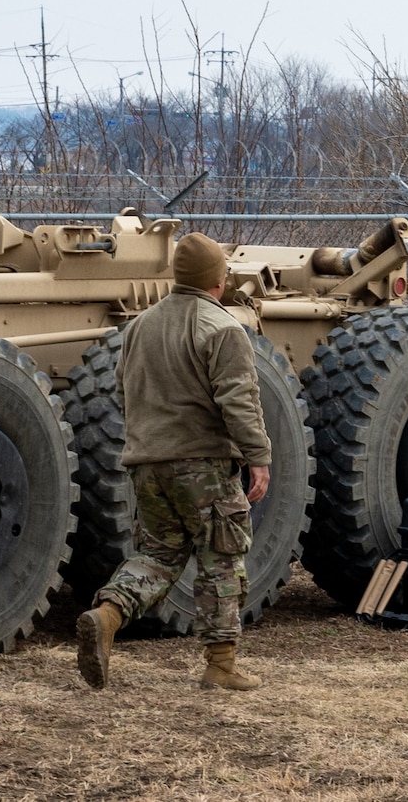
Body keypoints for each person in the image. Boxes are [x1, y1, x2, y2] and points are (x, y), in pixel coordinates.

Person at [76, 232, 273, 691]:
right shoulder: (222, 327)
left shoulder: (140, 326)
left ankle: (108, 615)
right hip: (202, 464)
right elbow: (239, 401)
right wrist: (257, 458)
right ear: (218, 280)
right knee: (222, 557)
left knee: (158, 555)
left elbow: (125, 387)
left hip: (149, 462)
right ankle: (220, 665)